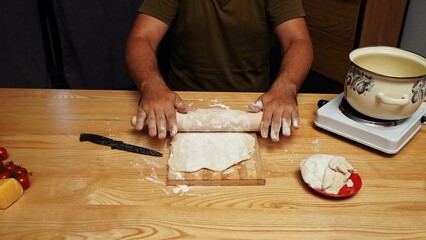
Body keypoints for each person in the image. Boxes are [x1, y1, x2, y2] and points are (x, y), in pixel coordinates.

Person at [125, 0, 313, 141]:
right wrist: (152, 86)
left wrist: (286, 87)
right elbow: (142, 38)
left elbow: (298, 41)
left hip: (254, 108)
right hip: (181, 108)